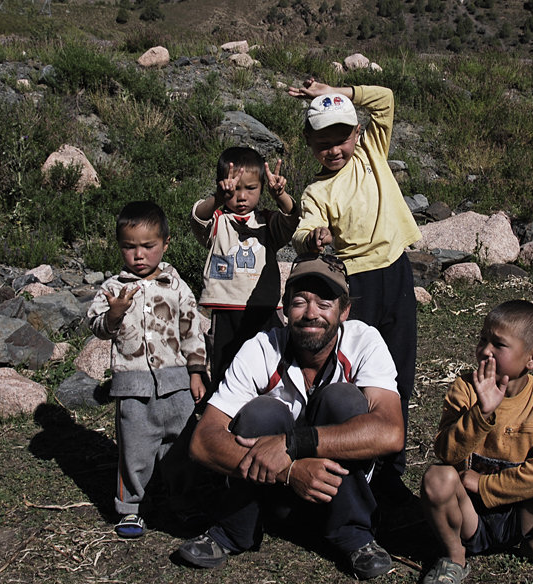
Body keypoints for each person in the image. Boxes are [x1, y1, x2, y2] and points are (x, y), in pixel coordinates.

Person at [178, 254, 404, 580]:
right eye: (300, 301)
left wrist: (292, 444)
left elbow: (391, 431)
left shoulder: (364, 342)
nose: (311, 313)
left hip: (337, 490)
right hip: (274, 493)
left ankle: (354, 533)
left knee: (342, 399)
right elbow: (203, 441)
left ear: (345, 311)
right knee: (262, 411)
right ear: (284, 309)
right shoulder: (261, 349)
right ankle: (234, 529)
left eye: (325, 303)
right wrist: (290, 470)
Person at [287, 80, 421, 505]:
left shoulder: (371, 153)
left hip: (395, 273)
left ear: (357, 135)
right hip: (355, 283)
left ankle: (389, 468)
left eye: (341, 138)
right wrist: (313, 240)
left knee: (399, 367)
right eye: (323, 142)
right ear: (309, 143)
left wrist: (335, 90)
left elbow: (385, 99)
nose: (334, 150)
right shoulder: (316, 191)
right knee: (357, 371)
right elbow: (303, 231)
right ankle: (354, 461)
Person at [419, 300, 533, 584]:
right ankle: (455, 557)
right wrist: (482, 412)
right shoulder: (465, 388)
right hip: (467, 514)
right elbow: (445, 453)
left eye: (498, 344)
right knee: (436, 478)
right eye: (483, 339)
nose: (485, 349)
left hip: (520, 512)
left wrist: (484, 484)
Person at [87, 201, 207, 539]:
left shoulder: (176, 285)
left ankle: (183, 502)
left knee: (181, 447)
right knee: (135, 448)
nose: (138, 255)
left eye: (147, 246)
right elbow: (96, 325)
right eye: (129, 247)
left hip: (177, 386)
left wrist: (196, 372)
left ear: (165, 244)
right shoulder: (113, 289)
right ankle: (132, 507)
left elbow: (192, 329)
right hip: (133, 388)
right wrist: (114, 314)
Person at [190, 147, 300, 393]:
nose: (241, 197)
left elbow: (292, 217)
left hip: (264, 311)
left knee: (269, 369)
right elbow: (197, 217)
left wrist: (280, 196)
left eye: (250, 188)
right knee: (225, 372)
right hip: (225, 310)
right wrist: (218, 198)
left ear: (262, 188)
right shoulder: (218, 221)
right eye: (234, 189)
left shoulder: (268, 221)